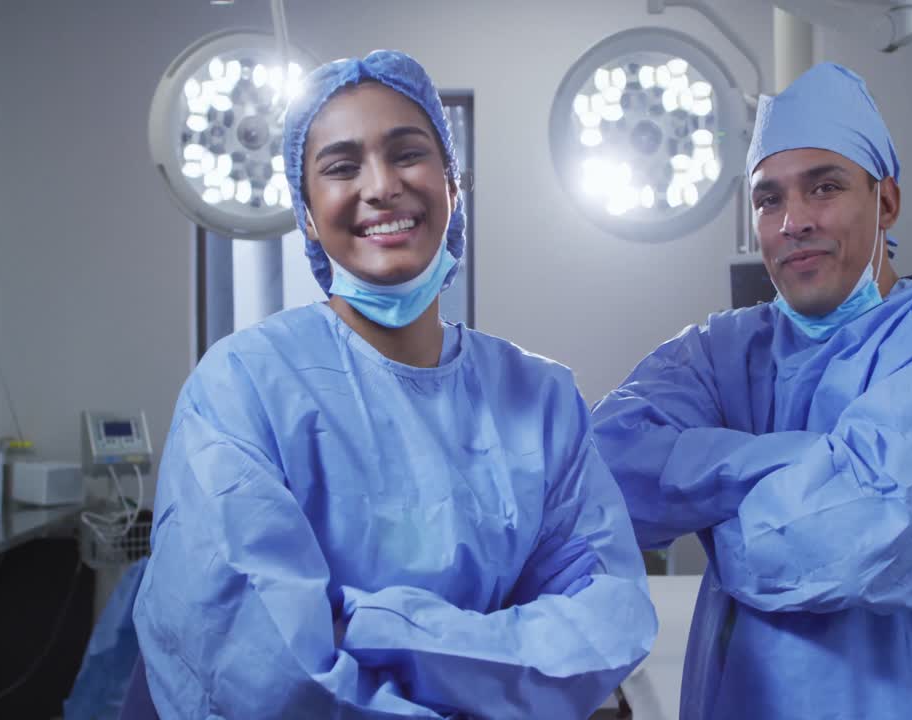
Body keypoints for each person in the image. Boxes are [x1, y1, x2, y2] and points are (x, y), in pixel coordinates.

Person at [133, 50, 656, 719]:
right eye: (342, 166)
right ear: (308, 211)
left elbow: (602, 625)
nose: (380, 186)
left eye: (407, 153)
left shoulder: (540, 399)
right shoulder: (241, 388)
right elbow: (267, 676)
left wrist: (368, 626)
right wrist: (493, 662)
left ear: (452, 184)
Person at [591, 62, 912, 719]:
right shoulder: (724, 350)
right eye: (769, 198)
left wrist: (703, 496)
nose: (792, 220)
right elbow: (606, 471)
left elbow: (849, 541)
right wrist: (813, 462)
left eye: (823, 187)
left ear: (885, 202)